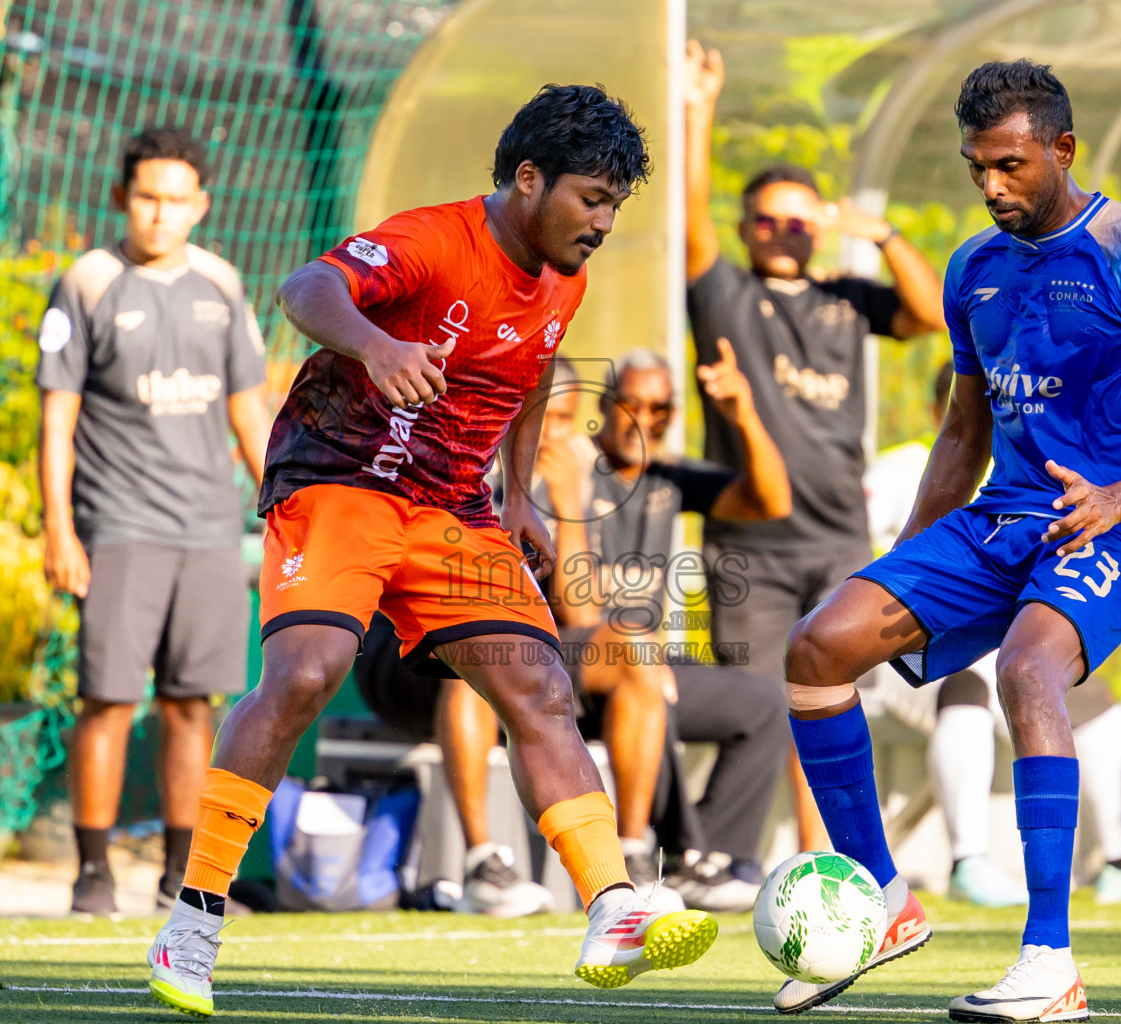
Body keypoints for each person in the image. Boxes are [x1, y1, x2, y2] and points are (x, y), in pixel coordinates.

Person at [146, 85, 719, 1018]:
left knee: (539, 685)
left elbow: (529, 380)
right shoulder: (431, 238)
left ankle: (612, 906)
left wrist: (522, 495)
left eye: (617, 204)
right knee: (304, 673)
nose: (605, 222)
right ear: (527, 179)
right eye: (592, 199)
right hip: (338, 480)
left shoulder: (565, 277)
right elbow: (305, 289)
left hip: (451, 505)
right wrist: (374, 345)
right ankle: (195, 915)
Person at [778, 60, 1121, 1020]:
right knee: (816, 647)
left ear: (1062, 150)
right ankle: (880, 901)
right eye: (975, 168)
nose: (991, 187)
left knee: (1028, 672)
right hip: (1000, 521)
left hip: (1108, 528)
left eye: (1008, 164)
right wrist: (902, 564)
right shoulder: (973, 269)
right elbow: (963, 431)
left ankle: (1050, 962)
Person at [683, 40, 946, 852]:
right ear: (747, 227)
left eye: (801, 221)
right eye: (767, 220)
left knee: (828, 702)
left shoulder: (846, 296)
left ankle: (825, 862)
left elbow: (932, 315)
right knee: (762, 705)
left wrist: (886, 235)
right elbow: (691, 231)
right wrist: (699, 111)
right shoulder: (729, 295)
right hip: (750, 548)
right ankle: (726, 860)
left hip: (839, 540)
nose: (784, 233)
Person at [867, 364, 1121, 907]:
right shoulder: (905, 469)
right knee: (972, 687)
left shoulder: (1036, 469)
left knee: (1089, 695)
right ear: (948, 413)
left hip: (1001, 639)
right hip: (913, 647)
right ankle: (967, 861)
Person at [36, 127, 271, 919]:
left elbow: (249, 409)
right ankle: (92, 873)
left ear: (200, 205)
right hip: (118, 525)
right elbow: (57, 417)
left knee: (192, 706)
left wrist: (288, 500)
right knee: (105, 699)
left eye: (176, 201)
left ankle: (180, 876)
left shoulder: (222, 284)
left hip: (208, 527)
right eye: (147, 198)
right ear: (120, 198)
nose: (160, 215)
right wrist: (60, 530)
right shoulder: (88, 282)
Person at [533, 351, 792, 911]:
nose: (643, 419)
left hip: (645, 657)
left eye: (660, 408)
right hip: (570, 665)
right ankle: (669, 852)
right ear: (604, 408)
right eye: (630, 404)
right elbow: (578, 614)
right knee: (645, 674)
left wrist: (742, 413)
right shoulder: (568, 469)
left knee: (765, 706)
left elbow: (773, 501)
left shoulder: (669, 475)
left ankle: (714, 860)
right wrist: (569, 499)